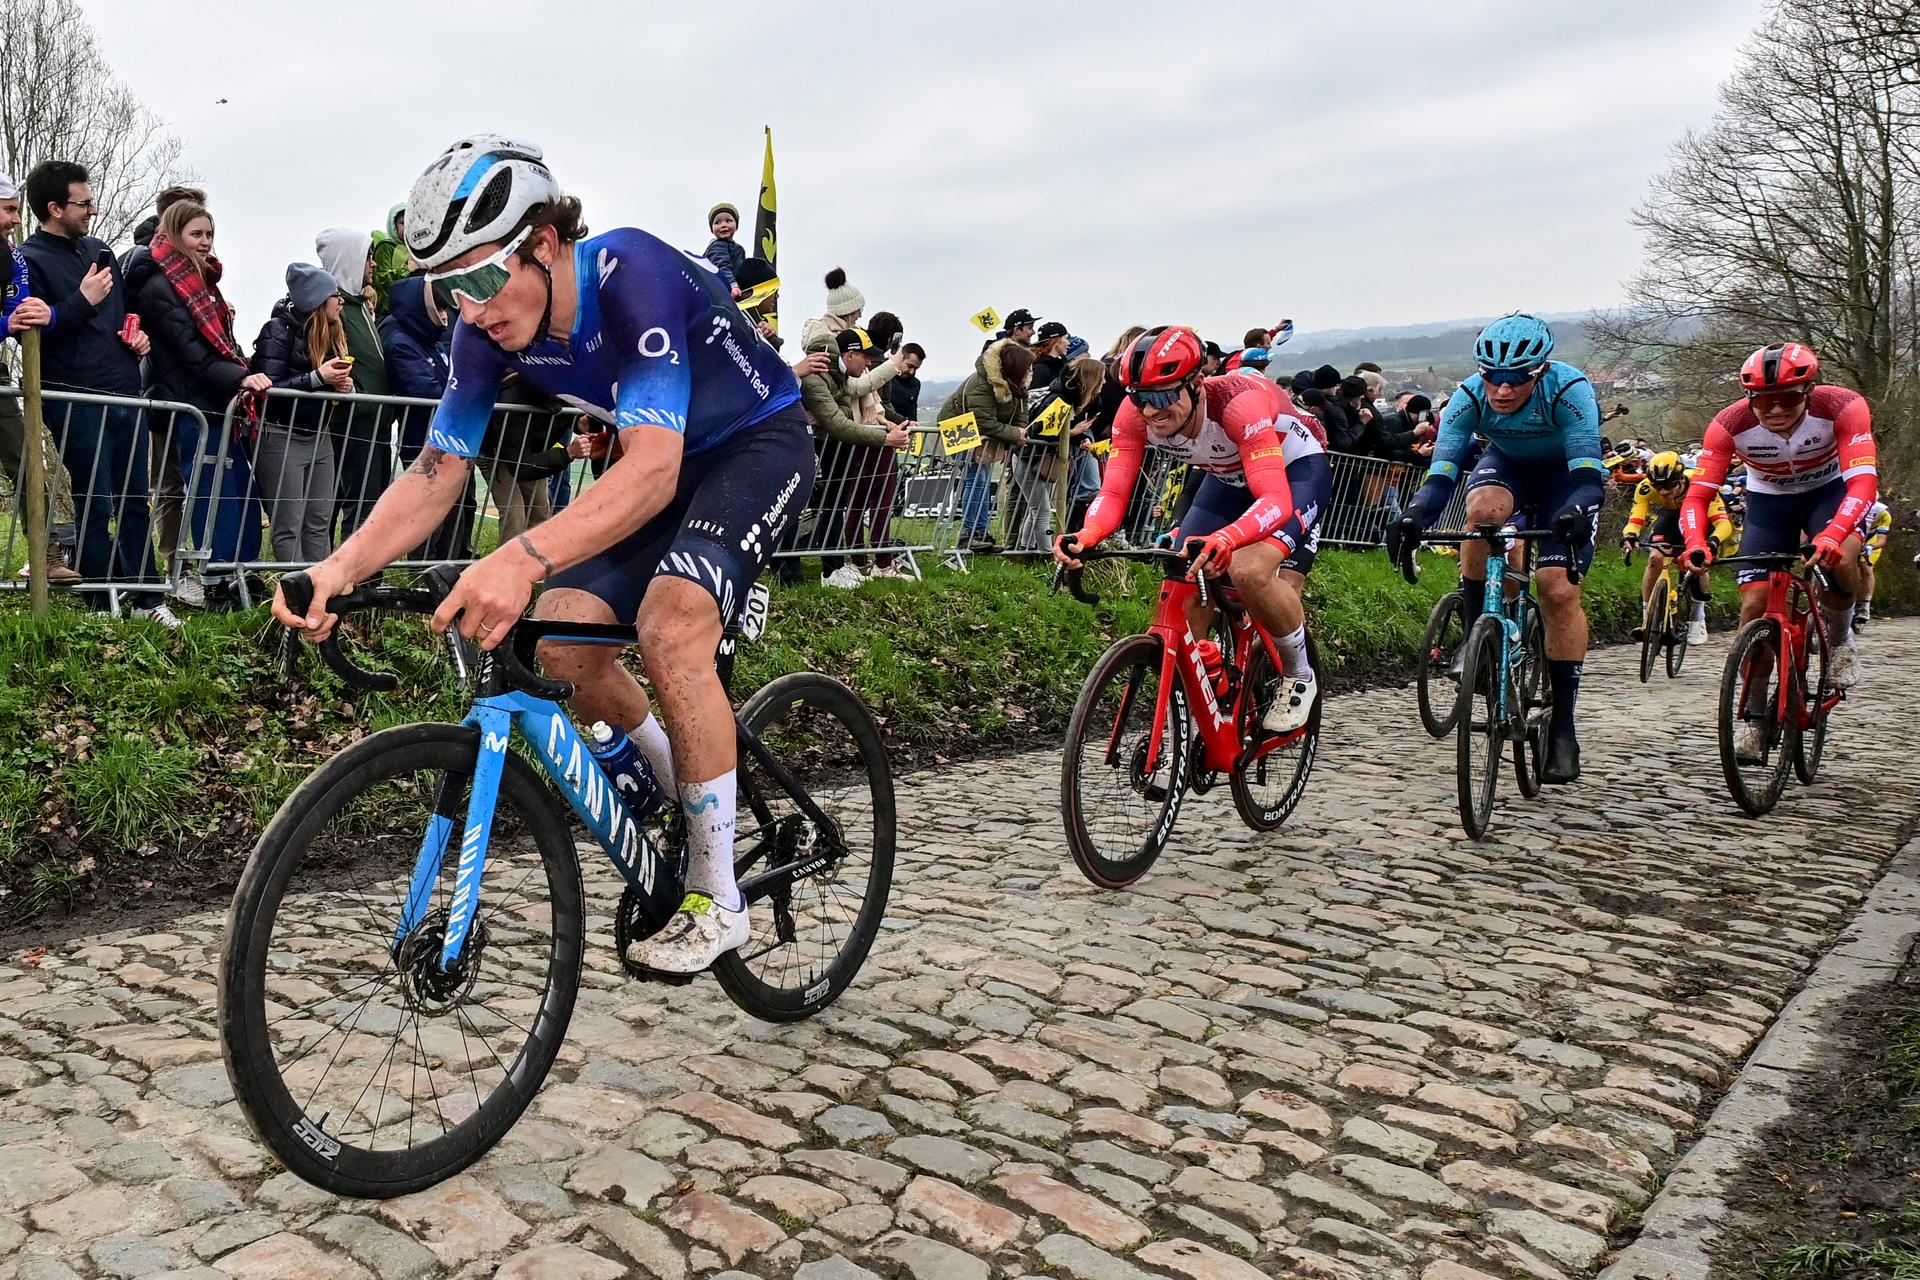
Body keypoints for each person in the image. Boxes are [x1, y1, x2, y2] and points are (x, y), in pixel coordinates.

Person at [275, 134, 812, 974]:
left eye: (485, 280)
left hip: (751, 447)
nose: (472, 310)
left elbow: (655, 469)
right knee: (561, 642)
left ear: (548, 244)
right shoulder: (482, 333)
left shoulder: (630, 274)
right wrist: (340, 568)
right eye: (446, 292)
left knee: (671, 629)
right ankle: (687, 789)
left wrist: (519, 556)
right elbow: (436, 470)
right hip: (651, 459)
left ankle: (717, 894)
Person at [1059, 326, 1329, 733]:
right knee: (1184, 567)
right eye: (1140, 398)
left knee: (1250, 570)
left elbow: (1274, 499)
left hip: (1292, 475)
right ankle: (1200, 692)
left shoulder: (1239, 406)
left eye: (1164, 396)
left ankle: (1298, 674)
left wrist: (1229, 538)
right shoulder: (1134, 416)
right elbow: (1114, 490)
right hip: (1227, 480)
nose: (1151, 411)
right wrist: (1086, 534)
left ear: (1197, 384)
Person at [1388, 312, 1604, 783]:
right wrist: (1414, 514)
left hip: (1566, 482)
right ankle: (1475, 633)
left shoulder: (1571, 391)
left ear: (1540, 371)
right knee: (1481, 513)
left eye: (1515, 379)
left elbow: (1589, 478)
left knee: (1556, 590)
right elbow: (1442, 473)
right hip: (1507, 465)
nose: (1502, 390)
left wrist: (1574, 511)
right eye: (1493, 377)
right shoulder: (1468, 396)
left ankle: (1564, 727)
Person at [1684, 343, 1876, 737]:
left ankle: (1839, 642)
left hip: (1831, 494)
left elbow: (1863, 483)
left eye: (1787, 398)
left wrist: (1834, 534)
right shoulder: (1729, 424)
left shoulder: (1842, 406)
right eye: (1763, 401)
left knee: (1839, 559)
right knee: (1754, 604)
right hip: (1770, 503)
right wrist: (1694, 542)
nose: (1775, 410)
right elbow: (1698, 495)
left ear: (1808, 392)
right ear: (1749, 399)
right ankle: (1754, 720)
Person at [20, 160, 171, 622]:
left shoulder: (100, 250)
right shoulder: (29, 260)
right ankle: (100, 600)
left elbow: (124, 313)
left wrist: (137, 336)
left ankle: (147, 599)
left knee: (133, 500)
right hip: (75, 396)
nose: (93, 210)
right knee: (95, 497)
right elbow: (36, 330)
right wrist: (81, 301)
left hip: (124, 387)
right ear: (54, 208)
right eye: (83, 203)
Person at [125, 200, 272, 607]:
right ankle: (217, 579)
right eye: (196, 234)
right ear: (174, 235)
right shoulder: (160, 285)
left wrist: (242, 370)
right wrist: (240, 376)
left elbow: (221, 342)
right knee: (212, 490)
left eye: (209, 234)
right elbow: (190, 351)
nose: (205, 242)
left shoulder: (202, 282)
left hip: (217, 399)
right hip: (189, 401)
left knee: (239, 490)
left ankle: (244, 571)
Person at [0, 169, 79, 584]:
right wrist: (5, 324)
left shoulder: (11, 255)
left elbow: (22, 304)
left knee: (26, 457)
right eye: (9, 209)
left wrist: (44, 315)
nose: (16, 218)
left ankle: (45, 555)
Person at [252, 264, 354, 562]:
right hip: (282, 436)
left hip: (319, 435)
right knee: (289, 523)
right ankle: (294, 593)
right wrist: (318, 380)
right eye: (336, 294)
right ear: (318, 299)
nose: (341, 300)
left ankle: (319, 590)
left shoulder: (333, 331)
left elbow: (326, 380)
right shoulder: (276, 331)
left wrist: (344, 386)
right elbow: (269, 389)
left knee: (320, 521)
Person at [379, 274, 473, 560]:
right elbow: (427, 390)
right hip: (423, 441)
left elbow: (447, 383)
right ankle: (421, 572)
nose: (445, 316)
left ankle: (448, 568)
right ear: (424, 309)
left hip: (448, 440)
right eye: (441, 308)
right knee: (426, 515)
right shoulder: (402, 342)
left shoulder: (429, 340)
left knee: (455, 510)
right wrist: (466, 393)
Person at [316, 228, 394, 541]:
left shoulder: (359, 306)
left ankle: (366, 577)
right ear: (349, 260)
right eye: (367, 257)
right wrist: (358, 397)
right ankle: (351, 581)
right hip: (352, 423)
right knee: (356, 504)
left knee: (372, 504)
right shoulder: (333, 310)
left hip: (376, 421)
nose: (373, 264)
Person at [1621, 451, 1729, 647]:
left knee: (1698, 564)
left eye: (1669, 486)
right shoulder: (1645, 488)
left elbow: (1723, 524)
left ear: (1681, 479)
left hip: (1699, 518)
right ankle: (1648, 616)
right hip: (1670, 519)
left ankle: (1697, 618)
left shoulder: (1700, 484)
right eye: (1658, 486)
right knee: (1655, 558)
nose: (1662, 492)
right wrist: (1629, 536)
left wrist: (1713, 541)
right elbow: (1635, 519)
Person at [941, 338, 1033, 550]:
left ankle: (980, 533)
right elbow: (984, 421)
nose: (1030, 370)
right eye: (1026, 366)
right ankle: (968, 533)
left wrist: (1020, 431)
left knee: (983, 478)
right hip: (960, 427)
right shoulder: (982, 384)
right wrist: (1014, 434)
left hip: (981, 432)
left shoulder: (1017, 382)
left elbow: (1021, 411)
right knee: (976, 478)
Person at [370, 204, 412, 316]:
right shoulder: (386, 246)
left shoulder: (417, 248)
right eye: (402, 223)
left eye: (411, 221)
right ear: (393, 226)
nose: (407, 226)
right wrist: (407, 269)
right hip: (389, 312)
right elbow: (381, 280)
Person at [1855, 499, 1891, 629]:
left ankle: (1864, 606)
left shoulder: (1882, 511)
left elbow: (1882, 540)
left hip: (1871, 540)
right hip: (1853, 537)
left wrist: (1871, 546)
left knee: (1866, 568)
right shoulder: (1848, 502)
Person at [702, 203, 747, 294]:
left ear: (736, 225)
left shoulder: (739, 249)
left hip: (735, 290)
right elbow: (720, 267)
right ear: (712, 229)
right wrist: (732, 285)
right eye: (717, 222)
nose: (723, 225)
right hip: (721, 290)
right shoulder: (717, 246)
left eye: (728, 220)